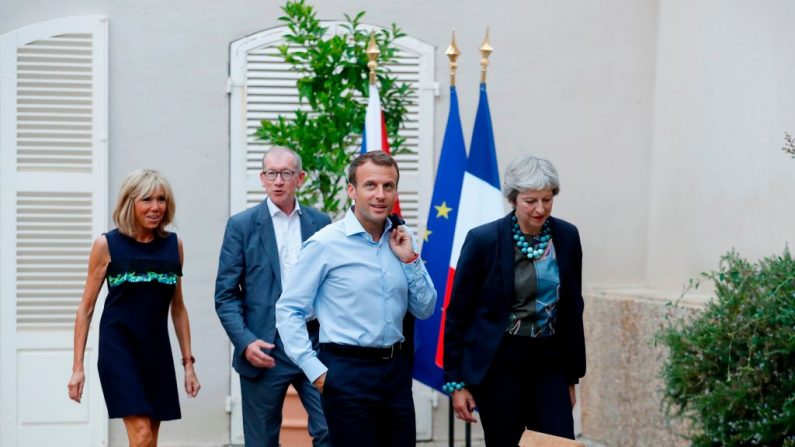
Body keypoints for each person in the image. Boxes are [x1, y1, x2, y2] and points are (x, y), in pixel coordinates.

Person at [275, 151, 437, 447]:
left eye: (388, 186)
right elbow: (289, 311)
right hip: (346, 374)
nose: (380, 195)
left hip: (395, 374)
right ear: (352, 190)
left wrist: (410, 259)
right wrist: (316, 372)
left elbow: (425, 309)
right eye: (370, 185)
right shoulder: (325, 244)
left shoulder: (403, 238)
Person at [443, 154, 586, 445]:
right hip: (499, 364)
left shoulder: (567, 237)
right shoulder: (484, 241)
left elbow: (572, 311)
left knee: (557, 441)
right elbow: (458, 315)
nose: (540, 209)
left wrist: (571, 379)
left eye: (547, 200)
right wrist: (457, 384)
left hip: (549, 362)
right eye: (530, 201)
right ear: (512, 199)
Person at [68, 169, 200, 447]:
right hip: (120, 349)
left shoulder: (173, 246)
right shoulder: (107, 245)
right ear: (130, 203)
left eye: (161, 200)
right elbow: (86, 308)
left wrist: (188, 365)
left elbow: (178, 308)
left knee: (149, 439)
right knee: (141, 435)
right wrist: (77, 367)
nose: (155, 207)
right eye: (146, 200)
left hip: (156, 350)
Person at [215, 147, 331, 446]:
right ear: (262, 178)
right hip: (264, 347)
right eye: (271, 173)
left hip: (313, 343)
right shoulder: (241, 226)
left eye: (286, 173)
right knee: (261, 440)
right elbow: (226, 295)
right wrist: (245, 341)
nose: (278, 181)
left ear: (300, 178)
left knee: (330, 430)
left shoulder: (321, 224)